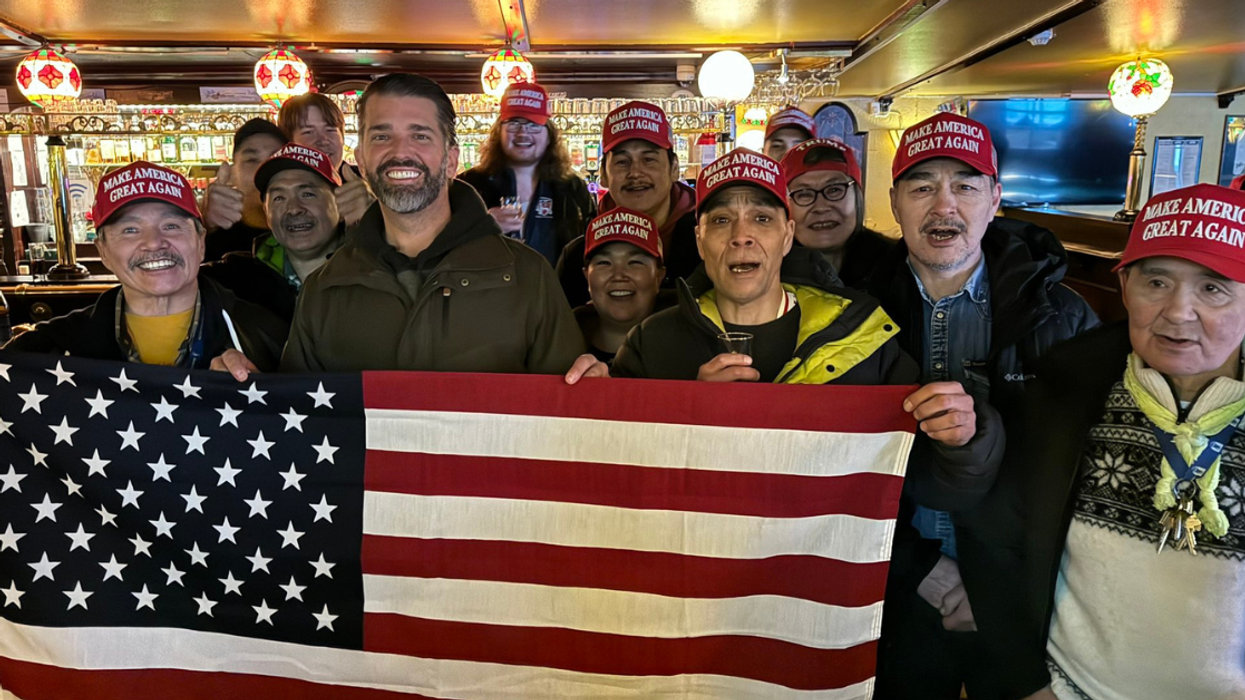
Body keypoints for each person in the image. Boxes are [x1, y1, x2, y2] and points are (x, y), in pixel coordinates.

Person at [865, 112, 1098, 699]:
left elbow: (1082, 473)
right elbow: (838, 467)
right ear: (895, 204)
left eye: (965, 186)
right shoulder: (853, 312)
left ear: (995, 200)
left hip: (1022, 594)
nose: (943, 205)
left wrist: (998, 587)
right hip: (895, 587)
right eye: (922, 187)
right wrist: (918, 569)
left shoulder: (1062, 317)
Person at [1000, 183, 1245, 700]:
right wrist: (1025, 681)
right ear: (1125, 284)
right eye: (1156, 282)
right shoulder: (1064, 390)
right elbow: (1003, 540)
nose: (1178, 311)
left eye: (1213, 288)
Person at [213, 73, 584, 378]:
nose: (400, 151)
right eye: (382, 136)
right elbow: (302, 419)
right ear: (361, 158)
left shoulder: (529, 277)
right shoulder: (324, 289)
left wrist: (592, 386)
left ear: (451, 160)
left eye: (420, 135)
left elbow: (566, 420)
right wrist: (241, 387)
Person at [5, 161, 287, 369]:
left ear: (201, 241)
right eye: (130, 230)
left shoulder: (269, 336)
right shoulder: (46, 350)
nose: (153, 243)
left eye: (171, 225)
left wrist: (258, 388)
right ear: (103, 251)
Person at [556, 100, 700, 307]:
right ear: (603, 174)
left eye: (648, 160)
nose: (635, 173)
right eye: (622, 162)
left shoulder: (706, 242)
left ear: (674, 168)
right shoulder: (577, 254)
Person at [458, 82, 595, 266]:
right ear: (499, 131)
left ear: (549, 134)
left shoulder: (573, 187)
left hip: (555, 285)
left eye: (534, 124)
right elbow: (438, 246)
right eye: (514, 123)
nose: (523, 133)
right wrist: (480, 226)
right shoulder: (468, 185)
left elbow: (591, 251)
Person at [202, 143, 344, 322]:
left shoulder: (371, 266)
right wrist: (204, 224)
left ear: (340, 204)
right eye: (279, 198)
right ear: (266, 212)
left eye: (307, 194)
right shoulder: (238, 279)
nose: (294, 209)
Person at [782, 138, 894, 288]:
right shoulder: (767, 272)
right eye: (804, 194)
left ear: (858, 196)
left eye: (834, 190)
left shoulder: (897, 265)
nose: (821, 207)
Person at [576, 208, 667, 363]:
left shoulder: (689, 348)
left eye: (635, 262)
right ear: (587, 277)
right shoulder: (558, 340)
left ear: (658, 276)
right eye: (604, 263)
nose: (619, 275)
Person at [277, 92, 372, 225]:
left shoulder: (369, 184)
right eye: (308, 132)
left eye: (330, 130)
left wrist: (374, 213)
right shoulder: (278, 192)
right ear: (289, 144)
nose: (323, 140)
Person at [202, 118, 287, 261]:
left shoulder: (310, 233)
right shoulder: (214, 241)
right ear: (232, 173)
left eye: (275, 158)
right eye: (251, 160)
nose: (263, 169)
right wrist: (205, 225)